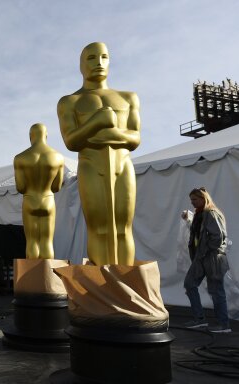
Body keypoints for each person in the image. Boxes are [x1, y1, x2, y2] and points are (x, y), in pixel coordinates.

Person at [57, 42, 140, 266]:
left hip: (123, 164)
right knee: (98, 228)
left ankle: (124, 283)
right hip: (91, 165)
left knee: (124, 228)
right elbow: (71, 141)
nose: (99, 63)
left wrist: (106, 132)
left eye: (104, 57)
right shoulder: (70, 101)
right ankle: (103, 284)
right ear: (81, 65)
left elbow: (135, 138)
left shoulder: (128, 98)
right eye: (92, 58)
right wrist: (96, 123)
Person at [14, 123, 64, 259]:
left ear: (31, 136)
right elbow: (56, 187)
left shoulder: (20, 158)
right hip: (47, 199)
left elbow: (21, 187)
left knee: (31, 242)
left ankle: (32, 277)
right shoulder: (58, 157)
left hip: (30, 199)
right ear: (46, 136)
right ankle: (46, 276)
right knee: (47, 242)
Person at [183, 187, 231, 333]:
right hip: (202, 258)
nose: (192, 203)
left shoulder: (211, 213)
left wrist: (204, 251)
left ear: (204, 199)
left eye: (195, 200)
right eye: (191, 200)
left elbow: (218, 237)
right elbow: (202, 233)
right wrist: (189, 219)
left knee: (216, 291)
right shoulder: (201, 214)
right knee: (190, 284)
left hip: (212, 258)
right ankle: (200, 319)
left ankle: (224, 325)